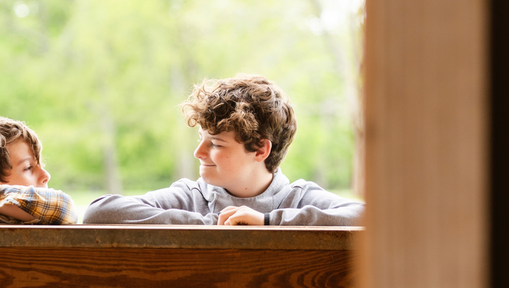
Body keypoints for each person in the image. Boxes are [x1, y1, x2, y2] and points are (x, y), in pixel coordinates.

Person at [83, 74, 364, 226]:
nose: (199, 153)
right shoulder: (190, 197)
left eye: (215, 143)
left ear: (260, 150)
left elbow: (369, 217)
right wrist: (212, 225)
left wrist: (268, 222)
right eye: (201, 139)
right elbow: (99, 212)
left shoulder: (298, 199)